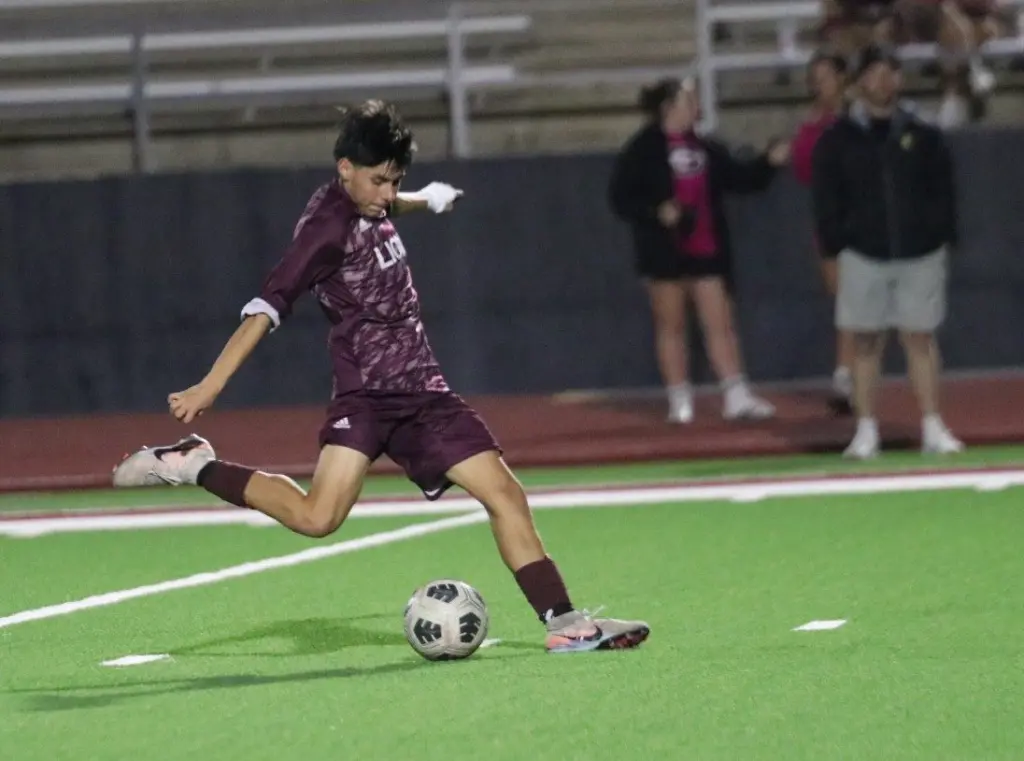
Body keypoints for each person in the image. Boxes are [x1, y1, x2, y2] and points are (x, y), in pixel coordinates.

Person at [111, 99, 650, 654]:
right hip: (366, 397)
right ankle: (196, 464)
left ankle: (565, 624)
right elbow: (266, 307)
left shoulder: (370, 198)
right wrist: (211, 384)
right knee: (317, 518)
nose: (388, 194)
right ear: (344, 168)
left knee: (505, 494)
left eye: (397, 181)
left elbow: (385, 205)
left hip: (424, 392)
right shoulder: (323, 230)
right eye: (380, 181)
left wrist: (427, 199)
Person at [811, 45, 965, 459]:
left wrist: (938, 234)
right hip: (863, 254)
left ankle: (933, 426)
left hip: (920, 253)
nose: (883, 81)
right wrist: (837, 243)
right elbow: (826, 199)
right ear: (860, 80)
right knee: (865, 343)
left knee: (921, 339)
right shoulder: (838, 139)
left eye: (891, 72)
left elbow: (943, 190)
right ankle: (866, 431)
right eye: (875, 72)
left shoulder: (924, 134)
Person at [607, 75, 788, 424]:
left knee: (719, 322)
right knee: (671, 325)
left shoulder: (706, 148)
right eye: (688, 101)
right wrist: (657, 212)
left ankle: (736, 395)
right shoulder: (642, 149)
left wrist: (768, 162)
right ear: (668, 108)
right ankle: (679, 399)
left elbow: (740, 178)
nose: (696, 108)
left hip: (706, 247)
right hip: (664, 252)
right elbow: (620, 198)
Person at [791, 50, 856, 415]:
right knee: (846, 302)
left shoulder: (859, 117)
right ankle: (846, 376)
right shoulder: (812, 127)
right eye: (815, 79)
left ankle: (854, 373)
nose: (820, 85)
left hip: (866, 220)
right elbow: (804, 172)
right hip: (832, 222)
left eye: (826, 77)